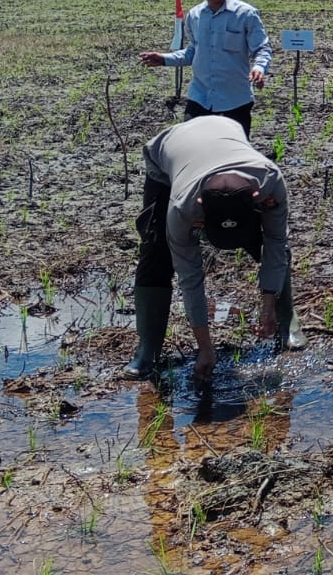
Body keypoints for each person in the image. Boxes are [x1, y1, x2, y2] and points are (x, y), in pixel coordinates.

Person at [122, 116, 299, 383]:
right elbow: (190, 276)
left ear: (255, 201)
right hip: (169, 153)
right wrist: (205, 348)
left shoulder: (270, 182)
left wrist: (267, 306)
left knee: (267, 244)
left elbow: (276, 244)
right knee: (156, 250)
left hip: (226, 130)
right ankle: (148, 349)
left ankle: (285, 323)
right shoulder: (182, 205)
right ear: (201, 207)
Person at [139, 0, 271, 138]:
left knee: (232, 156)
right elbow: (194, 51)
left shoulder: (246, 15)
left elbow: (262, 48)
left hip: (234, 101)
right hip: (200, 98)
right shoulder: (194, 15)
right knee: (191, 147)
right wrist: (164, 59)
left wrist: (259, 67)